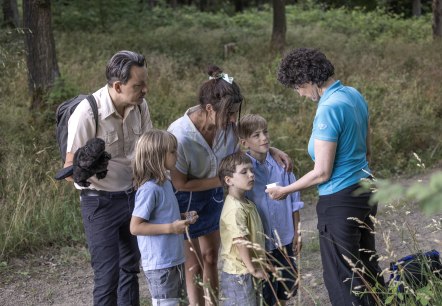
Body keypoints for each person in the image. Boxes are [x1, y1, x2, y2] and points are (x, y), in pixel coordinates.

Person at [267, 48, 385, 305]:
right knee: (367, 268)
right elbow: (367, 148)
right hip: (366, 188)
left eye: (297, 88)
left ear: (307, 81)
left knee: (343, 278)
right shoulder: (353, 94)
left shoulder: (328, 108)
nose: (299, 94)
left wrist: (284, 191)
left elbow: (322, 172)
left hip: (340, 200)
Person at [167, 65, 292, 305]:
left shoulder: (229, 129)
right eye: (230, 113)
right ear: (209, 108)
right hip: (187, 197)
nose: (234, 119)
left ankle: (213, 302)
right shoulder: (181, 135)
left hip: (216, 193)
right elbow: (180, 183)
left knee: (211, 255)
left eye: (236, 112)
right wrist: (224, 179)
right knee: (194, 264)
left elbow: (244, 145)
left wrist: (271, 149)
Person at [64, 50, 153, 305]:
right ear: (117, 85)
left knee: (130, 270)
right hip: (99, 203)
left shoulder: (140, 106)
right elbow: (70, 169)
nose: (145, 89)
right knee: (107, 277)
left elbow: (146, 149)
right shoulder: (87, 113)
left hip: (133, 197)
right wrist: (84, 170)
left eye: (145, 82)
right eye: (138, 85)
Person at [238, 114, 304, 306]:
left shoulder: (282, 165)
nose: (264, 138)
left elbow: (295, 201)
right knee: (266, 294)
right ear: (244, 142)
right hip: (261, 243)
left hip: (285, 238)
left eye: (265, 132)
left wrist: (297, 233)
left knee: (286, 290)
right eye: (256, 135)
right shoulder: (243, 169)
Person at [130, 129, 199, 306]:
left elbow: (162, 215)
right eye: (173, 151)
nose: (177, 154)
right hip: (160, 263)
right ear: (157, 156)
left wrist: (183, 217)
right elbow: (135, 227)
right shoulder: (149, 189)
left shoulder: (165, 183)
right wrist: (171, 228)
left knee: (181, 302)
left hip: (175, 258)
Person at [218, 152, 267, 305]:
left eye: (251, 171)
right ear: (228, 180)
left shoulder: (246, 202)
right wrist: (252, 269)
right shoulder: (235, 209)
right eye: (244, 172)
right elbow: (240, 241)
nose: (251, 175)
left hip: (249, 269)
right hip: (239, 274)